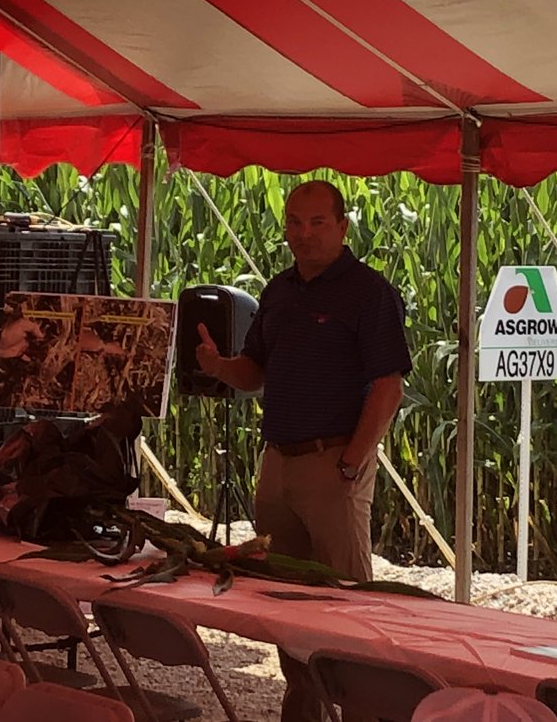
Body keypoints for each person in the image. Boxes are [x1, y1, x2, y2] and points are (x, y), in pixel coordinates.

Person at [195, 179, 411, 722]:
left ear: (342, 226)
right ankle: (303, 710)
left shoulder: (369, 292)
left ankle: (362, 711)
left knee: (346, 602)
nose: (304, 234)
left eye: (317, 222)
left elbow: (389, 385)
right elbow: (256, 370)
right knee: (285, 599)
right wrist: (221, 367)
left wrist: (350, 464)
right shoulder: (279, 292)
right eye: (294, 222)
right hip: (278, 463)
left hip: (332, 461)